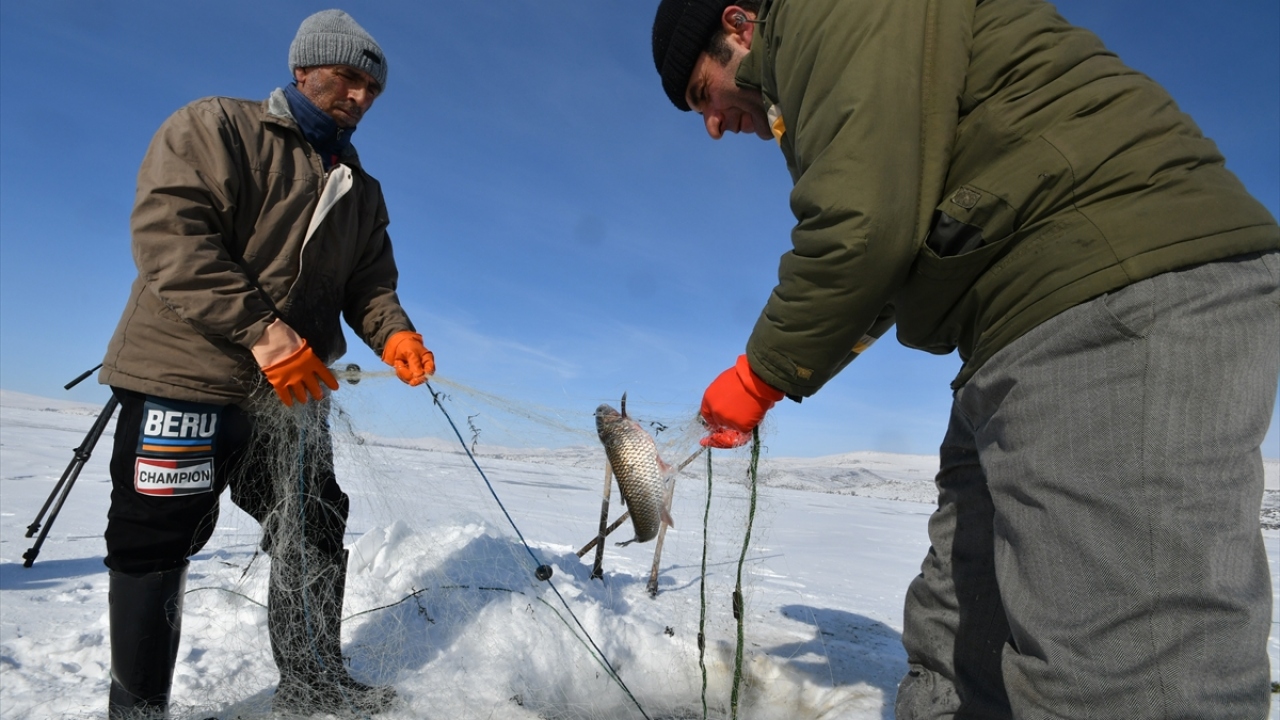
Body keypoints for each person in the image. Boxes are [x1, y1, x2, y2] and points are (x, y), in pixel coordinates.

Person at [651, 0, 1279, 717]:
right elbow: (882, 264)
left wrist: (759, 375)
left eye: (703, 94)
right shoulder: (822, 72)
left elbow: (863, 227)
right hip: (1017, 324)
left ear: (738, 25)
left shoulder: (828, 14)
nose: (712, 124)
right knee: (962, 619)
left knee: (1126, 667)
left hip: (1114, 288)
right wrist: (777, 374)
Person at [98, 9, 435, 718]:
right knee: (154, 540)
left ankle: (314, 685)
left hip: (291, 395)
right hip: (184, 381)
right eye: (346, 78)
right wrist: (263, 332)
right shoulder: (216, 126)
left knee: (314, 525)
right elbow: (171, 241)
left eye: (373, 89)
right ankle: (138, 712)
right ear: (302, 68)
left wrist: (396, 335)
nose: (361, 97)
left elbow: (370, 288)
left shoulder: (361, 189)